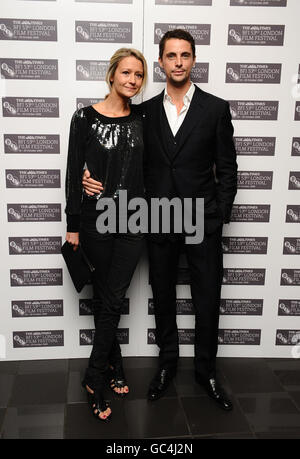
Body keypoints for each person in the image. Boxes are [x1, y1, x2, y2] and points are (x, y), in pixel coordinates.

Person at [82, 29, 238, 411]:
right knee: (163, 296)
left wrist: (218, 217)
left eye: (185, 55)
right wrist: (90, 175)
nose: (179, 62)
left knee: (207, 299)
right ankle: (167, 365)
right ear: (162, 62)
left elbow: (229, 169)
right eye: (171, 56)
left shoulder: (216, 108)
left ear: (194, 60)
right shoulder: (145, 111)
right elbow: (118, 148)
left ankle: (207, 372)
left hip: (202, 220)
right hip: (158, 220)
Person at [65, 48, 148, 421]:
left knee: (111, 298)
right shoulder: (83, 118)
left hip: (133, 221)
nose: (132, 80)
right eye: (127, 72)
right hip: (95, 221)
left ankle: (93, 375)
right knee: (105, 299)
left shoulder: (145, 119)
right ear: (112, 74)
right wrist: (72, 225)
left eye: (140, 75)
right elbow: (72, 175)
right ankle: (110, 368)